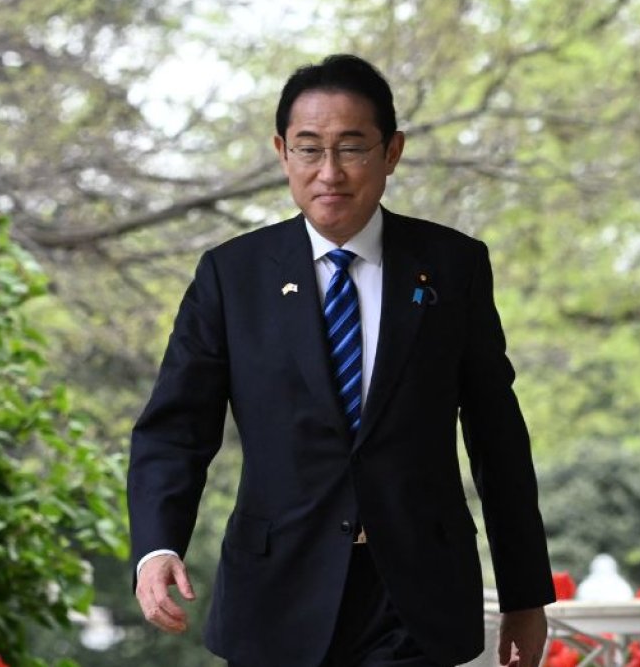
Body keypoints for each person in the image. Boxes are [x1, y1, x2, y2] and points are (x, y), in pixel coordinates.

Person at [128, 54, 554, 667]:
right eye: (309, 149)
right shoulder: (232, 276)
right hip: (276, 593)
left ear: (392, 151)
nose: (329, 172)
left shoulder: (454, 266)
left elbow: (497, 437)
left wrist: (524, 593)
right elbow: (176, 428)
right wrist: (157, 547)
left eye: (351, 148)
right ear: (282, 152)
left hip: (415, 597)